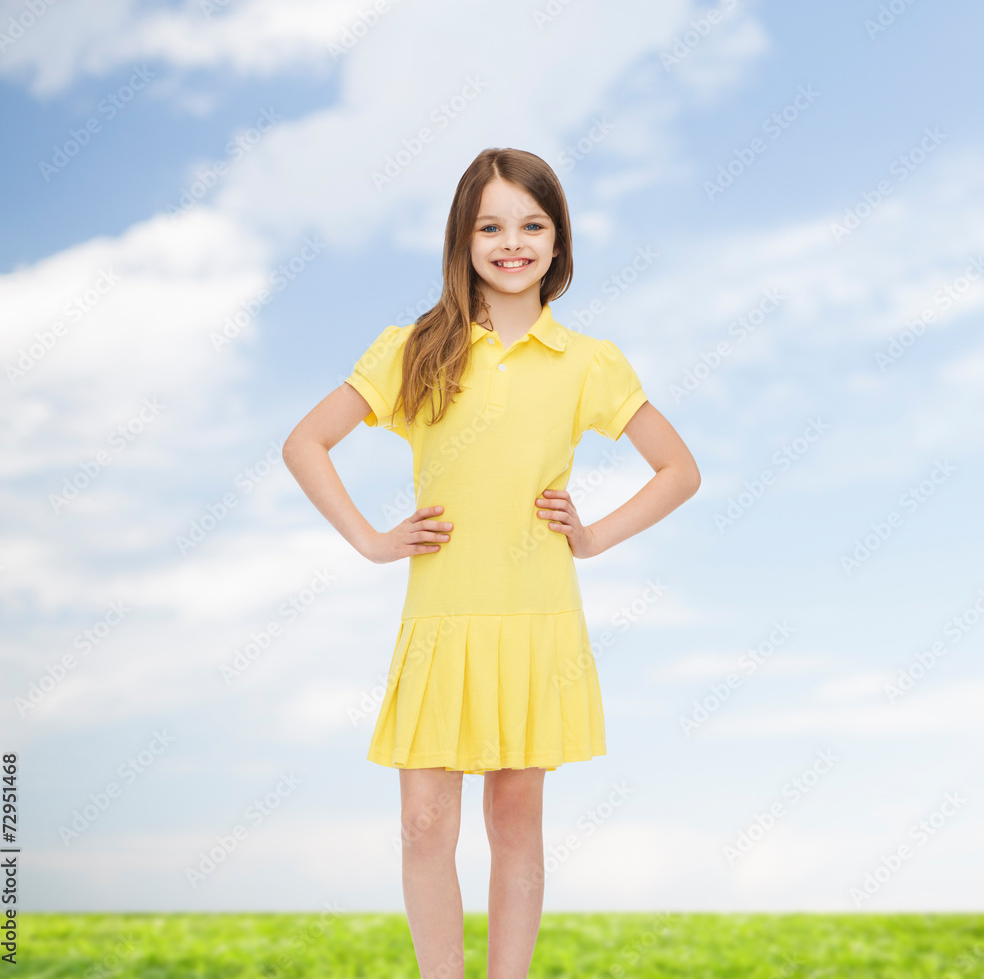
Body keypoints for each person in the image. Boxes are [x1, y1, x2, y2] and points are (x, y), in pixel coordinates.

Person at [282, 146, 700, 979]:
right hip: (441, 619)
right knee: (425, 824)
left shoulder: (587, 360)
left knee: (516, 821)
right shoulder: (415, 349)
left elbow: (679, 470)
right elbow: (305, 442)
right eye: (491, 226)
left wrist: (593, 535)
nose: (513, 243)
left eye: (532, 224)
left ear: (558, 240)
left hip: (534, 617)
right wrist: (371, 539)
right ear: (463, 240)